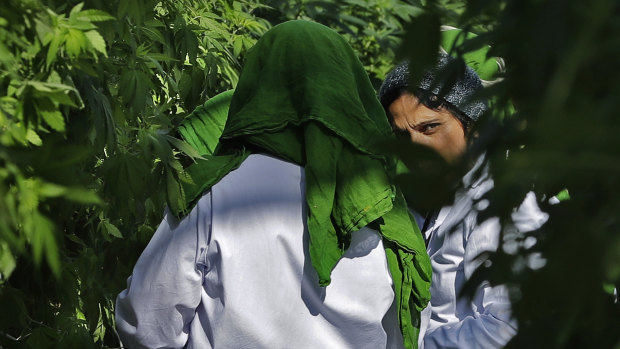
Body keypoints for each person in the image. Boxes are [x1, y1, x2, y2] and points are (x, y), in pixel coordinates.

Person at [115, 20, 431, 349]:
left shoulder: (215, 192)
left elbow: (146, 325)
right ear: (352, 95)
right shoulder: (386, 213)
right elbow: (409, 329)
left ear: (257, 87)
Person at [378, 53, 549, 348]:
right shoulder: (433, 198)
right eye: (402, 136)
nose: (417, 147)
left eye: (429, 127)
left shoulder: (507, 203)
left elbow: (510, 327)